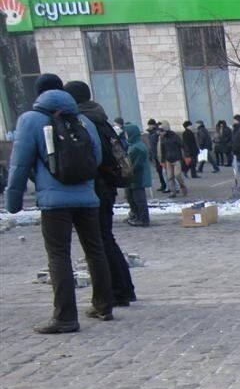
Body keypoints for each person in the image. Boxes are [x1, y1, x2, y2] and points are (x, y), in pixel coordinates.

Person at [5, 73, 114, 333]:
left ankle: (65, 317)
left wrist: (13, 200)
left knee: (59, 255)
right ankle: (103, 305)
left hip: (54, 202)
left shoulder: (30, 120)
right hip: (88, 197)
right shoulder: (83, 120)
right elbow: (96, 158)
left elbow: (19, 164)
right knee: (95, 250)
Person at [64, 80, 136, 306]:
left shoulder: (85, 121)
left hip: (98, 185)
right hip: (108, 185)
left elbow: (93, 156)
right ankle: (124, 288)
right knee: (106, 239)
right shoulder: (99, 117)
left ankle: (117, 291)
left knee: (100, 241)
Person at [124, 123, 151, 227]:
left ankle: (143, 219)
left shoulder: (138, 147)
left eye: (127, 133)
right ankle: (136, 216)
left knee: (139, 199)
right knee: (132, 198)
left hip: (138, 177)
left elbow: (135, 165)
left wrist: (127, 171)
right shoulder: (133, 145)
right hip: (134, 177)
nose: (125, 135)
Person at [158, 121, 187, 197]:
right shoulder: (163, 139)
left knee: (177, 175)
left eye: (161, 131)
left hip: (176, 159)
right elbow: (163, 150)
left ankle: (183, 188)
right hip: (168, 160)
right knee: (170, 177)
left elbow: (182, 145)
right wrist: (163, 161)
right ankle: (173, 192)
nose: (160, 133)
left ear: (165, 130)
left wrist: (186, 155)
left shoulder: (174, 136)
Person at [146, 119, 168, 193]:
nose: (149, 126)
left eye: (150, 125)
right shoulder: (152, 133)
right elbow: (151, 145)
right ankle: (163, 184)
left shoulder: (156, 132)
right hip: (155, 154)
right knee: (159, 171)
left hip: (159, 154)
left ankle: (166, 185)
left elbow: (154, 142)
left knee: (163, 171)